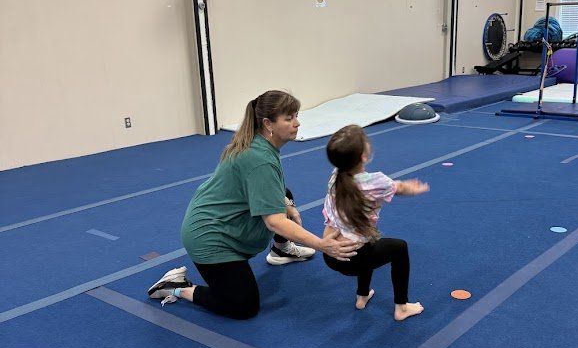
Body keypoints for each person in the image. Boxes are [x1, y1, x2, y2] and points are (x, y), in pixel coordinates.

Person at [147, 91, 358, 319]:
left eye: (296, 116)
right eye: (289, 118)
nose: (297, 123)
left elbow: (269, 191)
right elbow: (275, 222)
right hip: (210, 237)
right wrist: (322, 244)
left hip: (220, 217)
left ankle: (280, 250)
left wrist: (286, 203)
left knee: (283, 195)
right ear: (268, 124)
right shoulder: (259, 160)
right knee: (242, 306)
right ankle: (175, 287)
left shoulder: (260, 144)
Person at [321, 124, 429, 322]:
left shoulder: (336, 176)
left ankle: (362, 296)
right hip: (355, 258)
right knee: (399, 248)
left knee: (369, 239)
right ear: (364, 155)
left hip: (330, 253)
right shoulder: (376, 182)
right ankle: (402, 307)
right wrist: (412, 189)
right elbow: (400, 188)